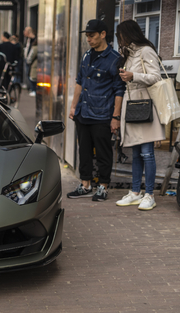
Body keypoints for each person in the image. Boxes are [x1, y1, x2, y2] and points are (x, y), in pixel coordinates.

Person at [67, 19, 125, 202]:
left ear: (103, 34)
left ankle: (103, 186)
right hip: (83, 112)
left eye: (91, 36)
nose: (89, 40)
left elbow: (119, 90)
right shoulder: (86, 56)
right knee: (83, 151)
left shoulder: (115, 59)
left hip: (102, 115)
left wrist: (115, 117)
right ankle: (85, 185)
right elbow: (79, 82)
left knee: (103, 152)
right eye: (87, 36)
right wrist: (73, 106)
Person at [115, 20, 165, 211]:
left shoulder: (145, 50)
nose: (120, 39)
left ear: (128, 33)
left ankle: (149, 194)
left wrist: (133, 76)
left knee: (146, 153)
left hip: (145, 106)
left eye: (121, 35)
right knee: (136, 153)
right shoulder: (129, 53)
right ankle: (135, 192)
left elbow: (156, 77)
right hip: (134, 106)